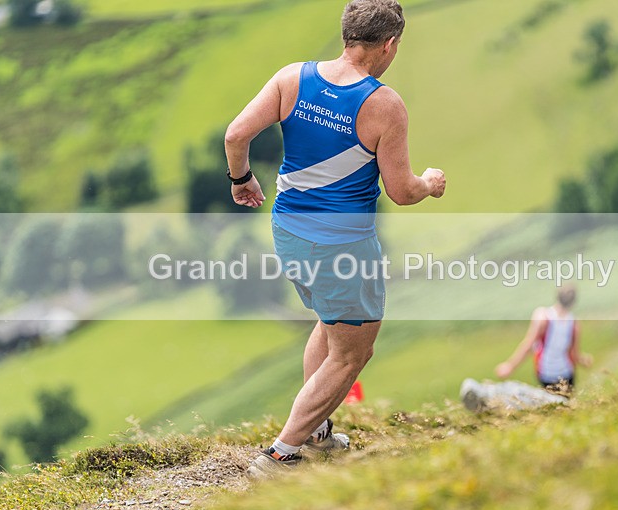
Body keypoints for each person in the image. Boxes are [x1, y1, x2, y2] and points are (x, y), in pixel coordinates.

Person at [224, 0, 446, 474]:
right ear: (388, 45)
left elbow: (236, 134)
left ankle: (318, 435)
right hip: (342, 245)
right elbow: (403, 192)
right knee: (353, 352)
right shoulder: (384, 104)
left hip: (288, 233)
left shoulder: (292, 78)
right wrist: (430, 182)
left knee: (330, 323)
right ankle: (282, 454)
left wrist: (241, 181)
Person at [461, 286, 592, 411]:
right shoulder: (574, 323)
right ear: (573, 302)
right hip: (567, 374)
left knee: (549, 407)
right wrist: (584, 360)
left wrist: (510, 366)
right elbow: (574, 355)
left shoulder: (542, 316)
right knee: (565, 408)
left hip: (547, 373)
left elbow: (529, 344)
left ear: (557, 296)